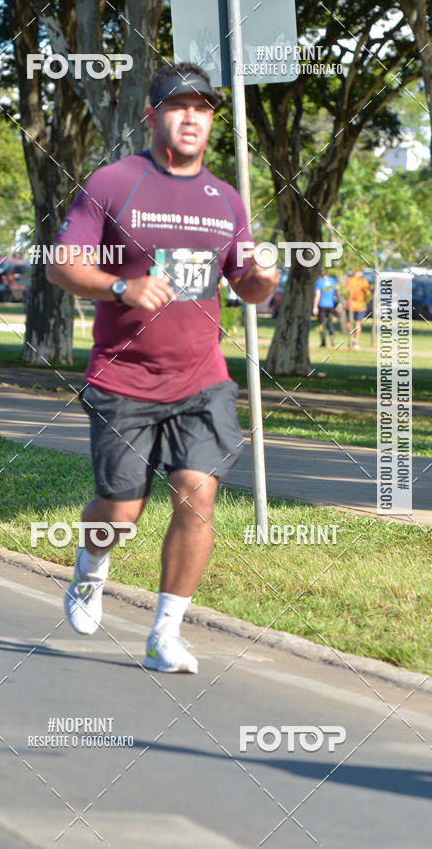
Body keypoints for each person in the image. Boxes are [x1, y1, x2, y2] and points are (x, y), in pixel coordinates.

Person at [46, 63, 277, 674]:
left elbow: (247, 288)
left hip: (202, 377)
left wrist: (265, 277)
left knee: (197, 495)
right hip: (122, 377)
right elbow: (62, 266)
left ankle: (165, 633)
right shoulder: (114, 183)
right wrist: (123, 287)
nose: (193, 118)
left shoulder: (226, 199)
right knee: (121, 512)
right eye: (180, 107)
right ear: (152, 117)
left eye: (204, 109)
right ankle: (91, 567)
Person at [344, 269, 371, 350]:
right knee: (357, 323)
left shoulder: (349, 280)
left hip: (351, 305)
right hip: (359, 305)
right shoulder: (363, 281)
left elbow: (345, 292)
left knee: (349, 323)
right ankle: (355, 341)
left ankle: (352, 338)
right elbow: (368, 294)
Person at [312, 270, 339, 347]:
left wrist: (315, 307)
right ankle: (333, 340)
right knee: (330, 323)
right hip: (331, 305)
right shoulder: (333, 281)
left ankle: (323, 342)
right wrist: (338, 304)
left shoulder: (319, 281)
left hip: (322, 305)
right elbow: (338, 293)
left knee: (322, 324)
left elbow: (317, 295)